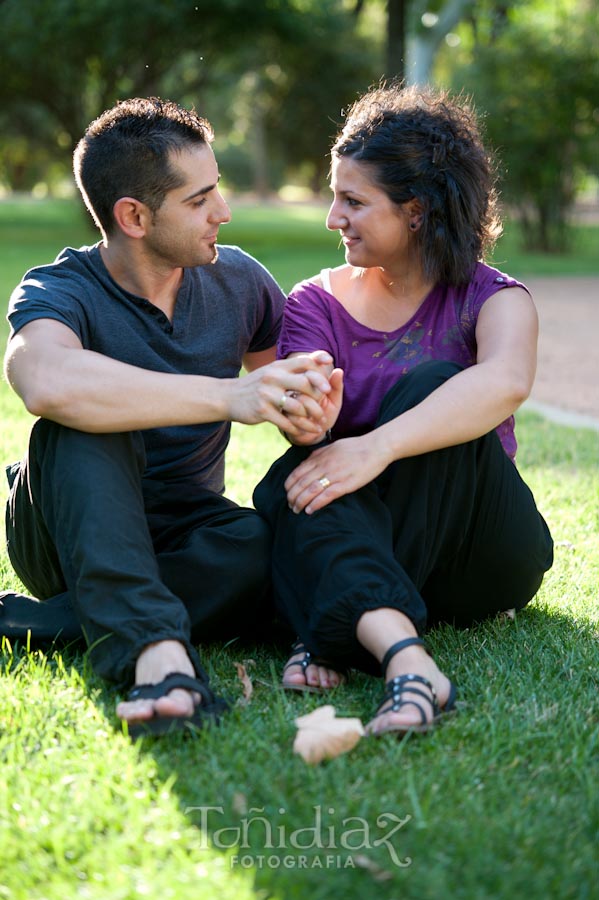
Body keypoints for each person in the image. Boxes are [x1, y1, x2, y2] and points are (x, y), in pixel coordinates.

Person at [1, 97, 333, 737]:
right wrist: (225, 396)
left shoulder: (241, 282)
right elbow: (42, 380)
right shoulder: (58, 289)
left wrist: (307, 412)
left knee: (262, 545)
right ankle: (160, 658)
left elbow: (287, 391)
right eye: (200, 198)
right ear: (133, 215)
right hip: (64, 529)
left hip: (190, 528)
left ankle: (42, 622)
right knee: (80, 420)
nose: (224, 212)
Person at [253, 82, 554, 737]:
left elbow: (501, 383)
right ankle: (406, 661)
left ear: (414, 211)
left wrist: (374, 444)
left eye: (352, 201)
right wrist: (307, 420)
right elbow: (307, 428)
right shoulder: (313, 303)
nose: (333, 218)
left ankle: (323, 620)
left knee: (436, 383)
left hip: (482, 554)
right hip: (375, 545)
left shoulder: (492, 298)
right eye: (335, 197)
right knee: (291, 477)